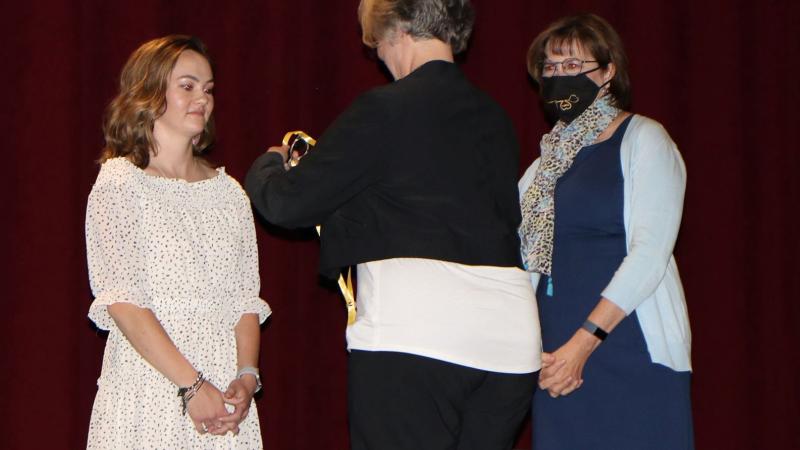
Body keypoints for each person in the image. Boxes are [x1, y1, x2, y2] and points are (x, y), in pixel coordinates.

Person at [245, 1, 541, 448]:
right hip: (511, 343)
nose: (376, 52)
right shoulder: (495, 117)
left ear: (396, 28)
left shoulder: (385, 109)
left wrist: (269, 163)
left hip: (417, 333)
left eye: (375, 39)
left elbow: (287, 205)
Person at [85, 35, 271, 449]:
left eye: (207, 89)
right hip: (151, 385)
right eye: (186, 86)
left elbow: (245, 300)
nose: (201, 98)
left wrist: (246, 376)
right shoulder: (120, 184)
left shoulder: (230, 194)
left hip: (221, 394)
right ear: (150, 93)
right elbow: (125, 303)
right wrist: (191, 386)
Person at [518, 13, 694, 450]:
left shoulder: (645, 139)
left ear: (608, 70)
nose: (559, 77)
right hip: (554, 361)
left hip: (625, 347)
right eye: (550, 68)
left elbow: (651, 252)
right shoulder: (541, 167)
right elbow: (520, 262)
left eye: (573, 66)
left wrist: (583, 343)